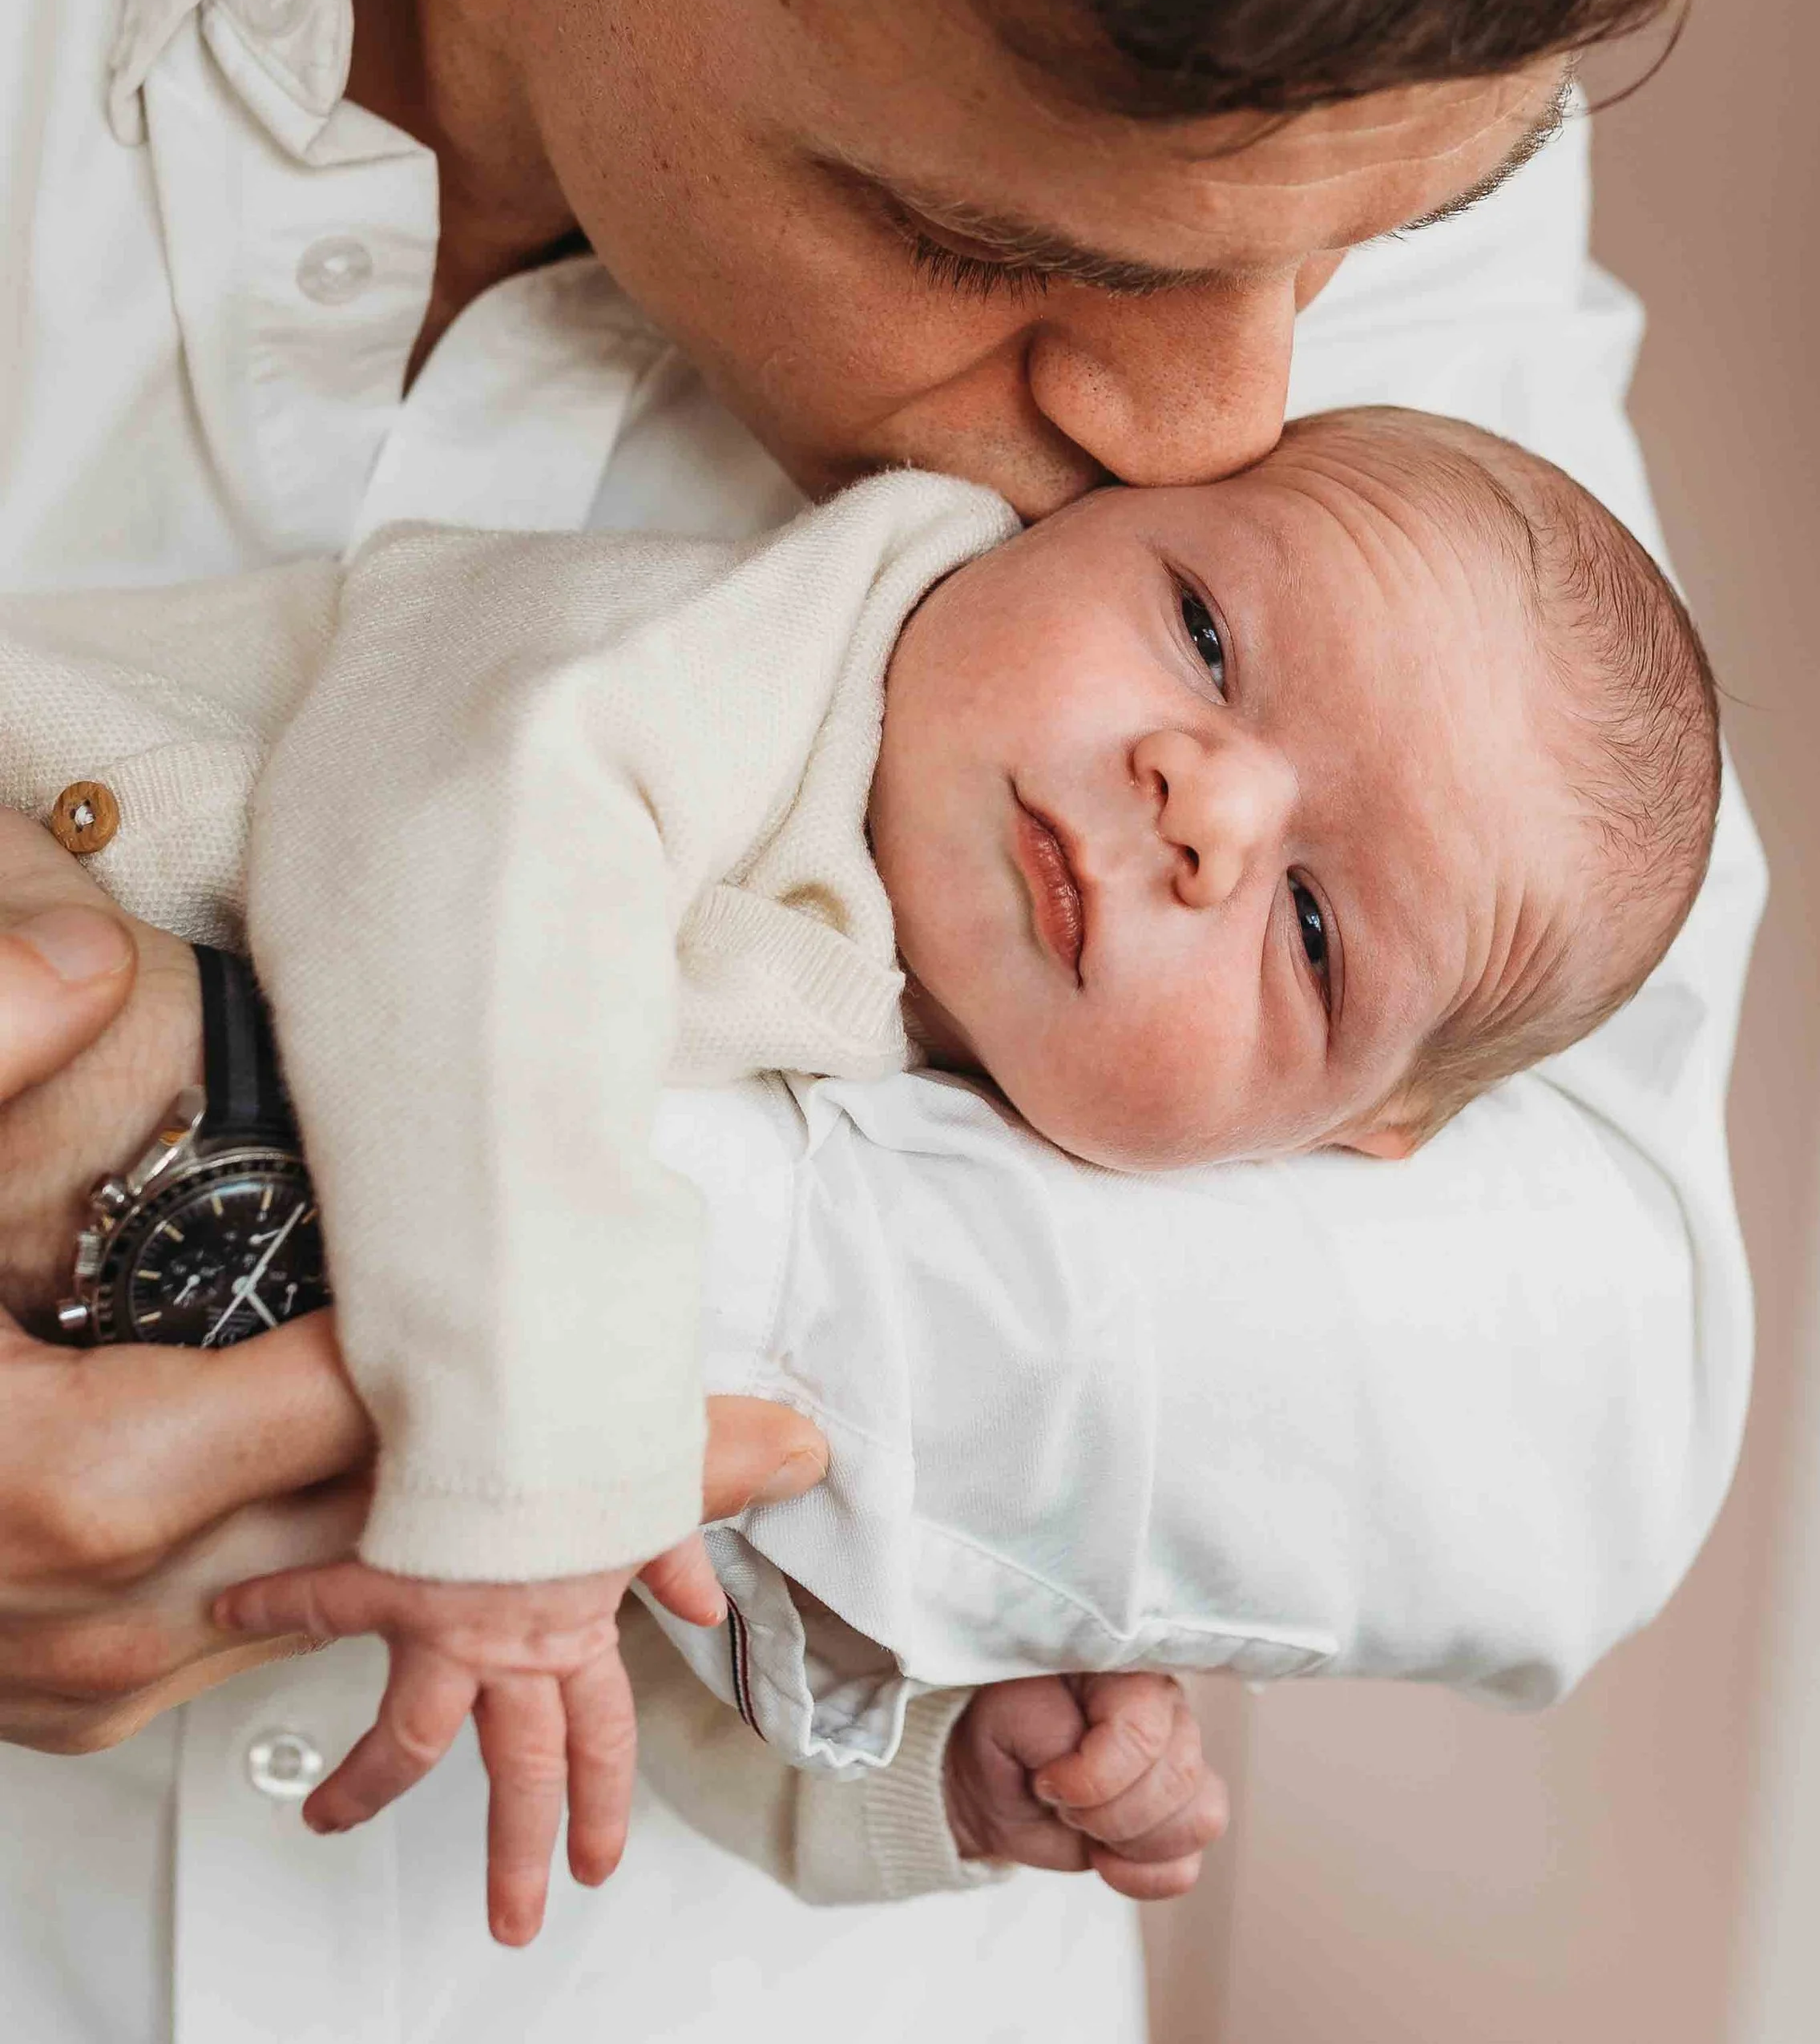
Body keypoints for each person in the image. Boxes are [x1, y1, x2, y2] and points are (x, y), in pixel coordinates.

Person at [0, 0, 1820, 2034]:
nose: (1215, 423)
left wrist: (306, 1184)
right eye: (995, 247)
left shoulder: (1316, 47)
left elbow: (1575, 1368)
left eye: (1372, 246)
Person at [2, 407, 1720, 1943]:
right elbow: (464, 877)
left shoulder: (915, 1106)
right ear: (1065, 509)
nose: (1200, 800)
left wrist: (925, 1757)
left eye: (1313, 923)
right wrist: (529, 1479)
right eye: (1201, 632)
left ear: (1336, 1143)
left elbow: (653, 1573)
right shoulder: (758, 647)